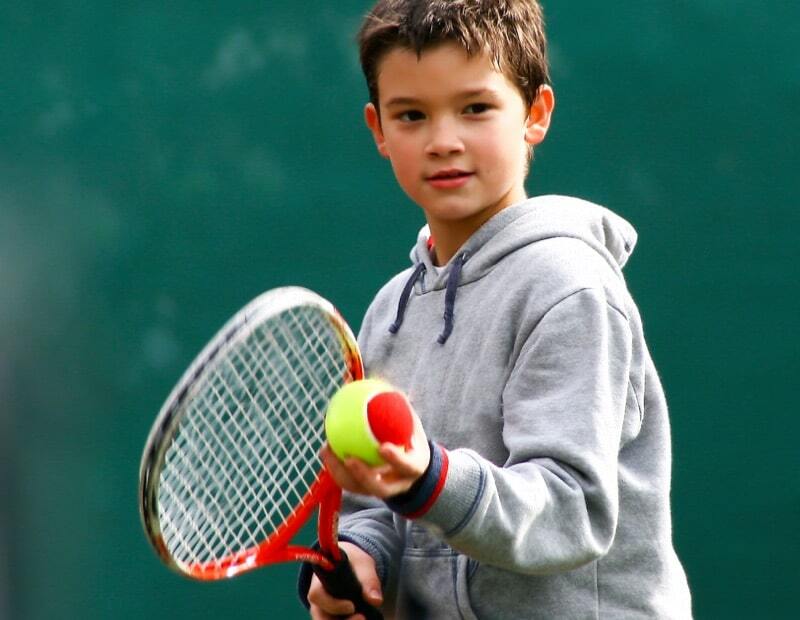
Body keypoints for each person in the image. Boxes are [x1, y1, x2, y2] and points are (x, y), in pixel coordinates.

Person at [300, 1, 692, 617]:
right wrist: (360, 558)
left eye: (476, 108)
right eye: (412, 115)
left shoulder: (570, 288)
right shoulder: (389, 311)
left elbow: (571, 510)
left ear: (535, 113)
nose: (443, 141)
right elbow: (381, 501)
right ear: (378, 130)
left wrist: (431, 479)